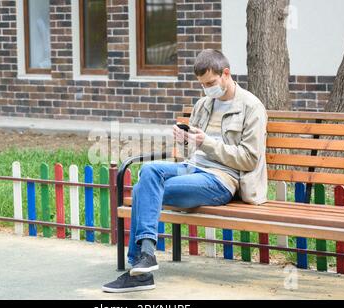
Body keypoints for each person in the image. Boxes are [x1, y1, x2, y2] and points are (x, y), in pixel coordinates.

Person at [102, 49, 268, 293]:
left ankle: (139, 267)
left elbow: (249, 159)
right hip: (191, 169)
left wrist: (205, 143)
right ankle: (146, 258)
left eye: (210, 83)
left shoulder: (251, 107)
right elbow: (192, 151)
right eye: (202, 85)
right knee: (148, 174)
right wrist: (185, 140)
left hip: (221, 180)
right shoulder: (203, 104)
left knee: (142, 190)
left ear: (226, 73)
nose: (207, 89)